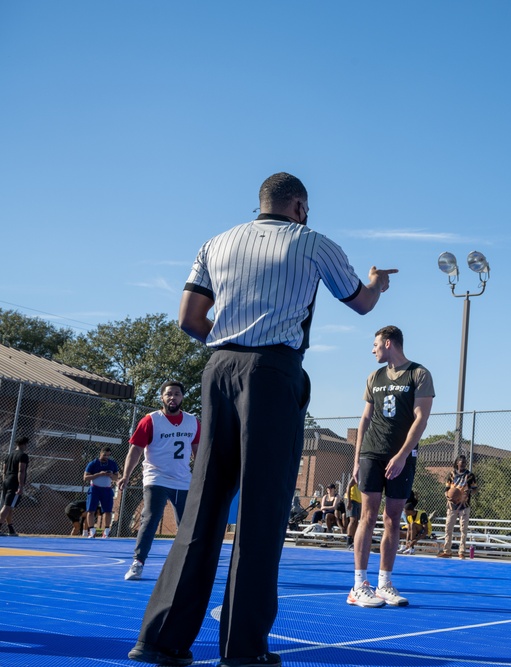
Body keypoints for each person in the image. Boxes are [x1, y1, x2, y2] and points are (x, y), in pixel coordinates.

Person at [128, 172, 396, 667]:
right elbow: (360, 303)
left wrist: (232, 342)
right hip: (271, 374)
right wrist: (377, 284)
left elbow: (189, 318)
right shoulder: (312, 242)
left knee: (203, 505)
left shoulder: (217, 242)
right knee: (261, 510)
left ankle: (159, 639)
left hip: (217, 369)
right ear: (299, 206)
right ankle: (242, 649)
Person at [348, 325, 433, 609]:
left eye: (375, 345)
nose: (372, 350)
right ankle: (359, 585)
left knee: (393, 519)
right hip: (372, 453)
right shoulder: (374, 377)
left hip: (402, 457)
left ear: (388, 343)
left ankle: (384, 583)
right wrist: (357, 459)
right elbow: (365, 419)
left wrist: (402, 455)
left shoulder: (418, 374)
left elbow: (421, 419)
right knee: (367, 517)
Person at [118, 380, 200, 581]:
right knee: (151, 518)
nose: (172, 397)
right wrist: (126, 474)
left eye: (177, 394)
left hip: (182, 480)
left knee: (188, 524)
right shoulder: (150, 420)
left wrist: (201, 476)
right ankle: (138, 562)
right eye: (168, 394)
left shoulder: (193, 421)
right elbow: (136, 449)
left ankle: (187, 565)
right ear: (162, 397)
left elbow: (198, 450)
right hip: (156, 477)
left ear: (182, 397)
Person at [438, 454, 477, 559]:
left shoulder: (470, 475)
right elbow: (446, 490)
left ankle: (462, 551)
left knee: (463, 529)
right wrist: (448, 496)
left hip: (464, 504)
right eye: (461, 463)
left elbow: (475, 489)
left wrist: (470, 491)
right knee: (448, 528)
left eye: (465, 463)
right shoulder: (451, 474)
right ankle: (447, 550)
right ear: (457, 463)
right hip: (452, 506)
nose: (463, 464)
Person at [83, 446, 119, 538]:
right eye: (104, 455)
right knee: (90, 510)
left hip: (106, 489)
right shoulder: (93, 463)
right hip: (95, 489)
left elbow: (116, 477)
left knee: (108, 511)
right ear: (100, 453)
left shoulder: (112, 464)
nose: (106, 457)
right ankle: (92, 530)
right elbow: (86, 477)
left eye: (108, 455)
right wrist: (99, 474)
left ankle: (106, 531)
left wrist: (111, 475)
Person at [0, 436, 29, 536]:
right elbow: (21, 470)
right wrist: (20, 485)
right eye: (26, 445)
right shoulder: (23, 456)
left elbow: (4, 470)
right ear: (24, 444)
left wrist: (5, 482)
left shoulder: (9, 455)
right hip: (14, 483)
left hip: (7, 481)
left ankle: (10, 528)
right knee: (7, 506)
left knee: (10, 506)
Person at [345, 478, 361, 550]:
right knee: (353, 520)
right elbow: (348, 486)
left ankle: (354, 541)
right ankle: (349, 542)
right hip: (352, 499)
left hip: (358, 501)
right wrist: (349, 501)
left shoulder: (364, 476)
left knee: (356, 521)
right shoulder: (356, 476)